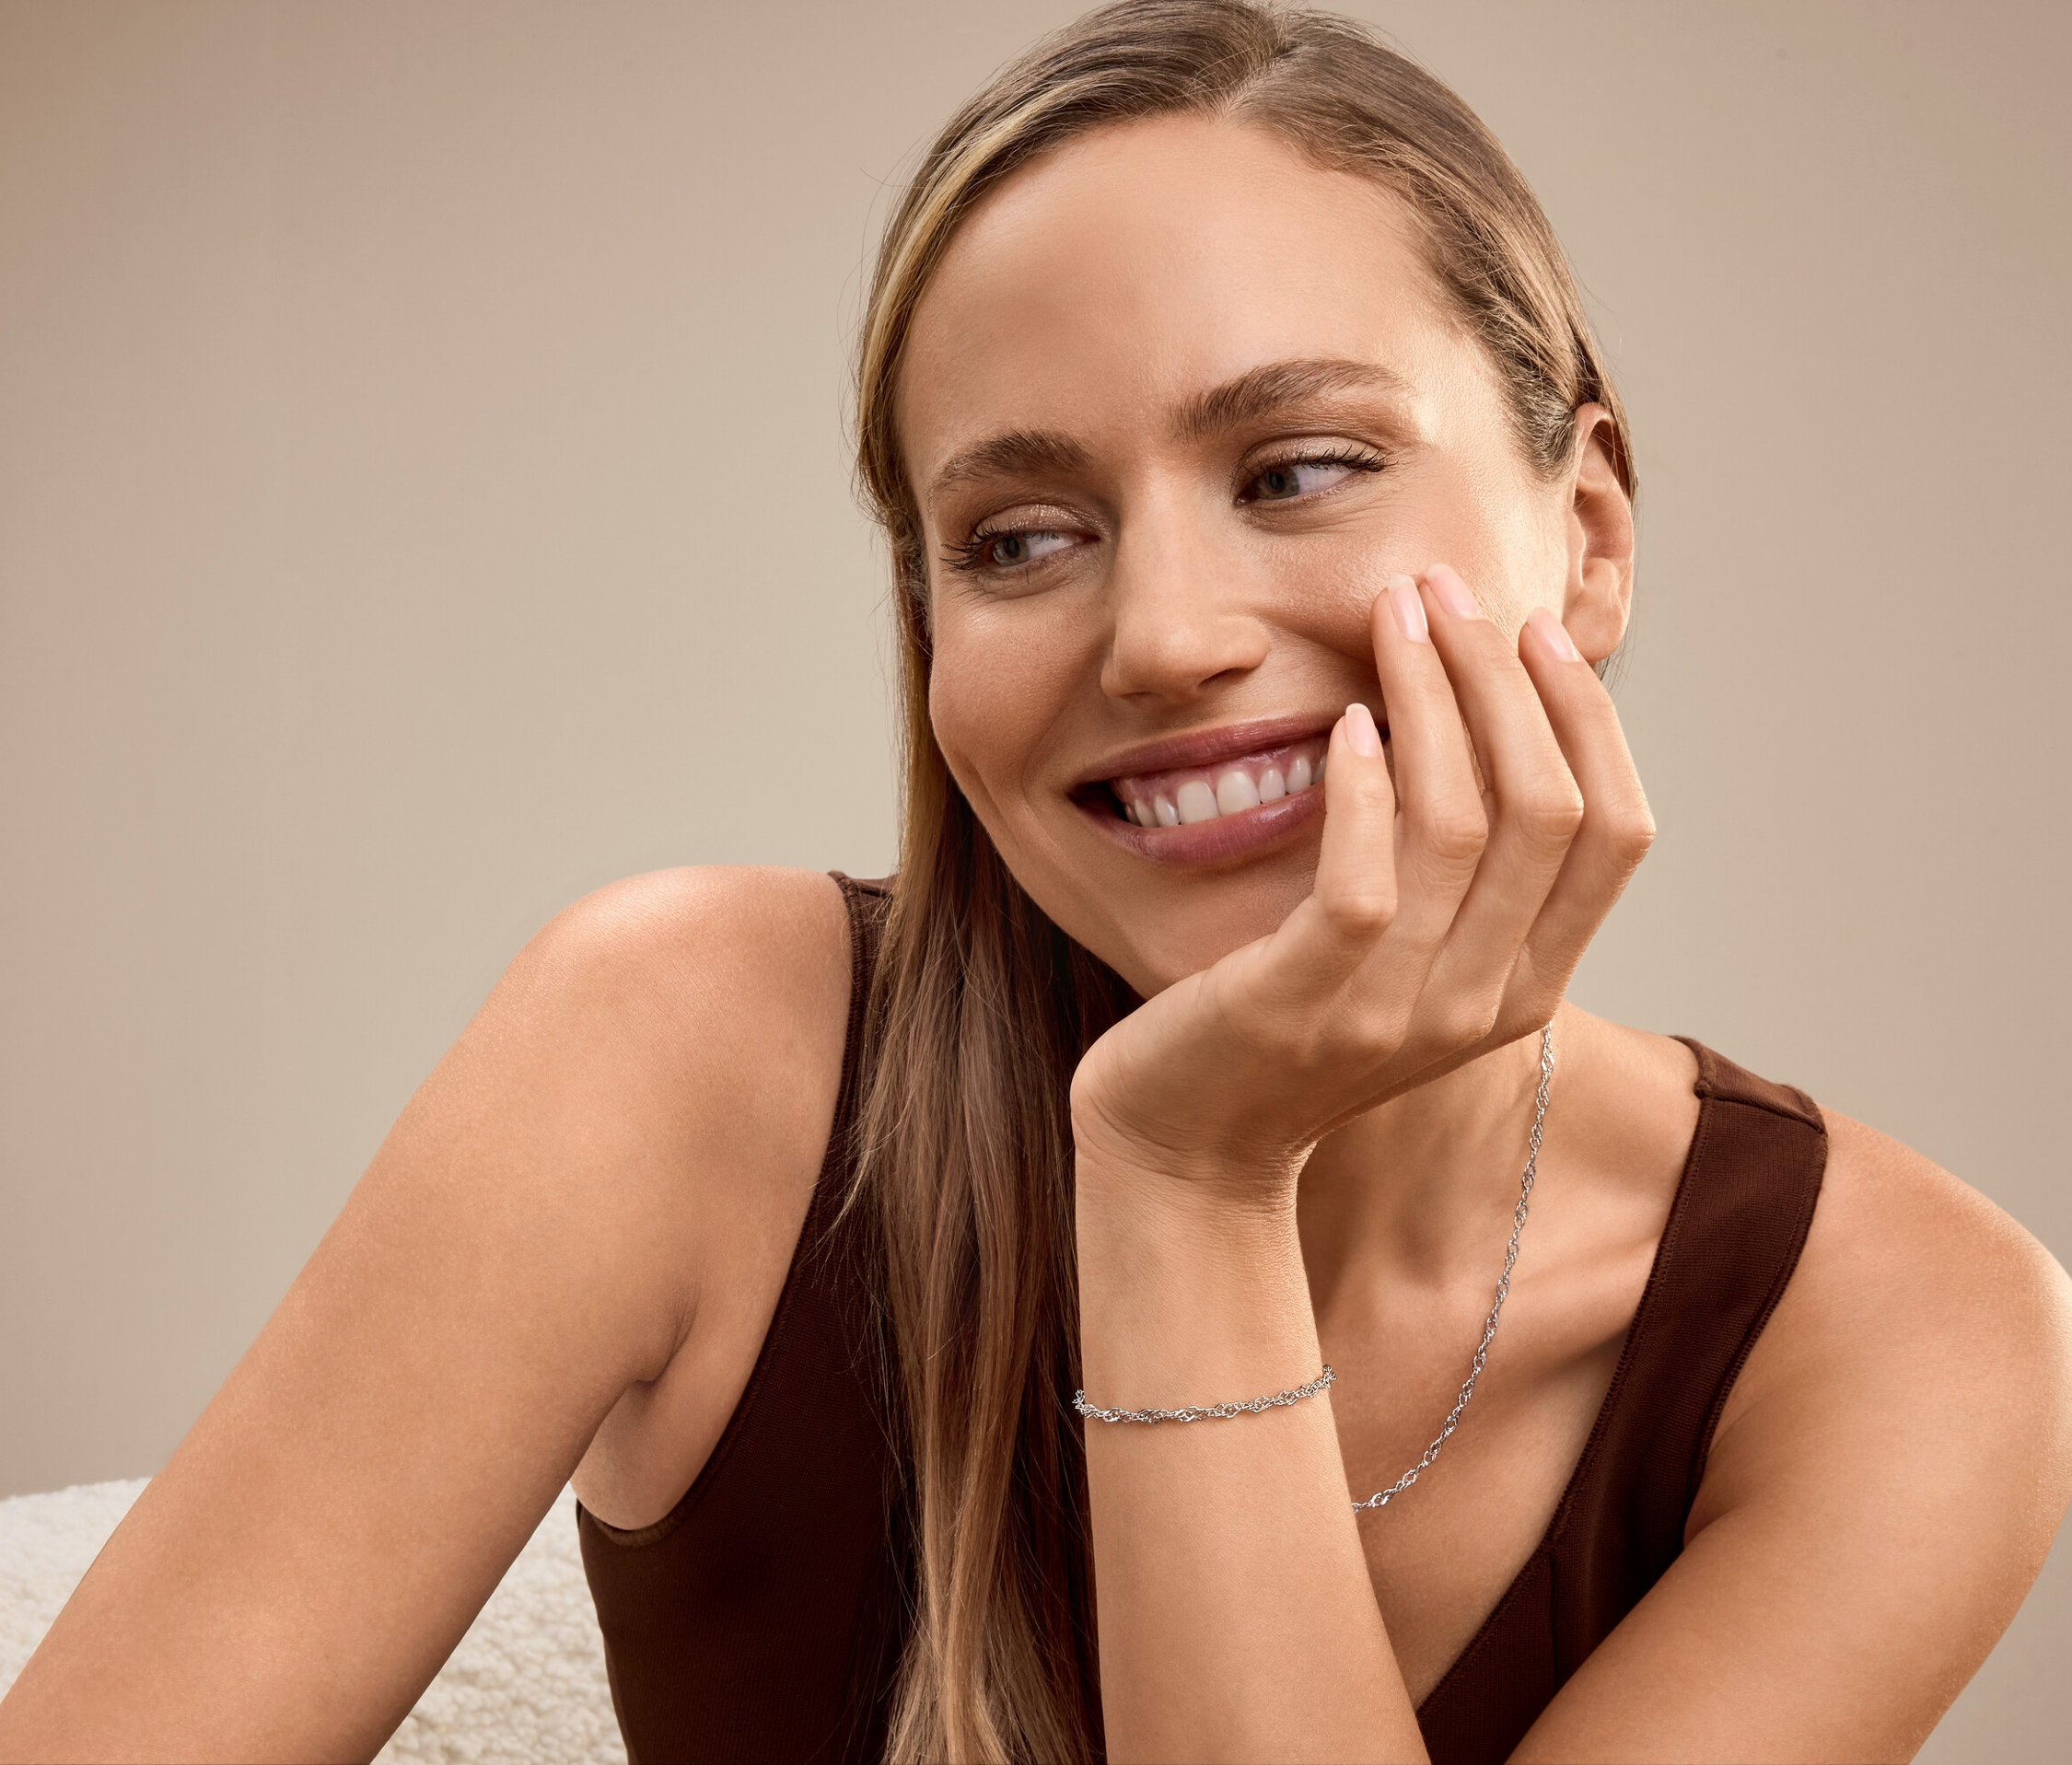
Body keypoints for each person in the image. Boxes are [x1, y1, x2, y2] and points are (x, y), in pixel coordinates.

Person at [5, 3, 2068, 1761]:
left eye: (1297, 468)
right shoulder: (675, 1051)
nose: (1162, 635)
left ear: (1589, 534)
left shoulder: (1902, 1334)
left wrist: (1190, 1177)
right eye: (1017, 535)